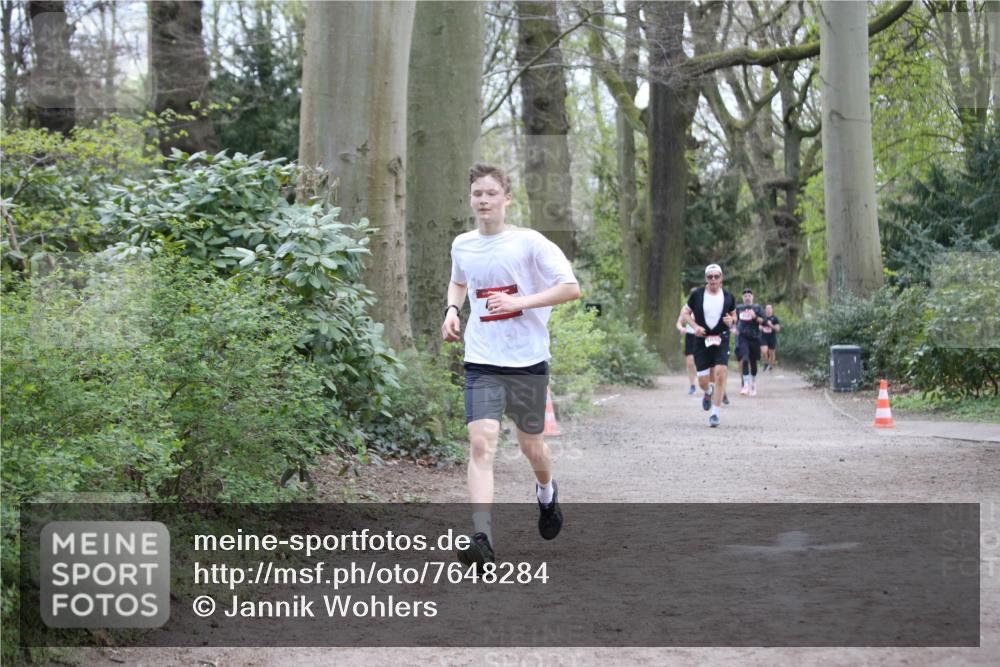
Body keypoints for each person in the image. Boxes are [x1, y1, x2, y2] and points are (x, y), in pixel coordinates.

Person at [441, 163, 581, 569]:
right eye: (477, 194)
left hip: (527, 360)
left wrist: (521, 302)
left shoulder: (529, 242)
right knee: (481, 443)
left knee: (530, 446)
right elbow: (460, 281)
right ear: (470, 199)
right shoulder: (462, 244)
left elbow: (571, 288)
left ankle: (547, 493)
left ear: (507, 198)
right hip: (481, 360)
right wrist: (452, 309)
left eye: (490, 193)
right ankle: (481, 536)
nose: (482, 200)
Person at [682, 264, 736, 427]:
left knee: (720, 373)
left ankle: (715, 414)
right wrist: (695, 326)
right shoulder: (697, 295)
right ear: (706, 278)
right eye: (710, 277)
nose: (713, 280)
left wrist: (732, 320)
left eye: (716, 276)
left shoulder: (728, 296)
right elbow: (685, 313)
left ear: (721, 278)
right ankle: (708, 392)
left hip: (721, 338)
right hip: (702, 340)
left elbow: (734, 315)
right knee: (703, 381)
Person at [735, 288, 765, 396]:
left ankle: (753, 383)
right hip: (743, 337)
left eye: (749, 296)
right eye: (745, 296)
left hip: (755, 338)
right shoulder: (739, 308)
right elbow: (734, 319)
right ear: (743, 298)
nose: (747, 297)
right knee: (745, 359)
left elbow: (764, 321)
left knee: (753, 363)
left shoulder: (757, 308)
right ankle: (746, 385)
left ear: (752, 297)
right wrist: (733, 328)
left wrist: (755, 316)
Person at [675, 288, 698, 395]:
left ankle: (707, 384)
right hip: (690, 335)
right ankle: (692, 385)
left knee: (704, 362)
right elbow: (679, 322)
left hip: (702, 336)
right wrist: (681, 328)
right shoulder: (686, 308)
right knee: (690, 362)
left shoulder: (704, 306)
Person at [761, 304, 781, 371]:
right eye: (767, 308)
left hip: (772, 337)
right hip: (763, 337)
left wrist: (771, 325)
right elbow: (758, 326)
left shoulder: (775, 318)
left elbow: (778, 329)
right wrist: (761, 327)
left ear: (772, 310)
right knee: (764, 351)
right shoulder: (762, 318)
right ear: (765, 310)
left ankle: (771, 366)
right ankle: (766, 363)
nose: (768, 310)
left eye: (770, 308)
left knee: (772, 353)